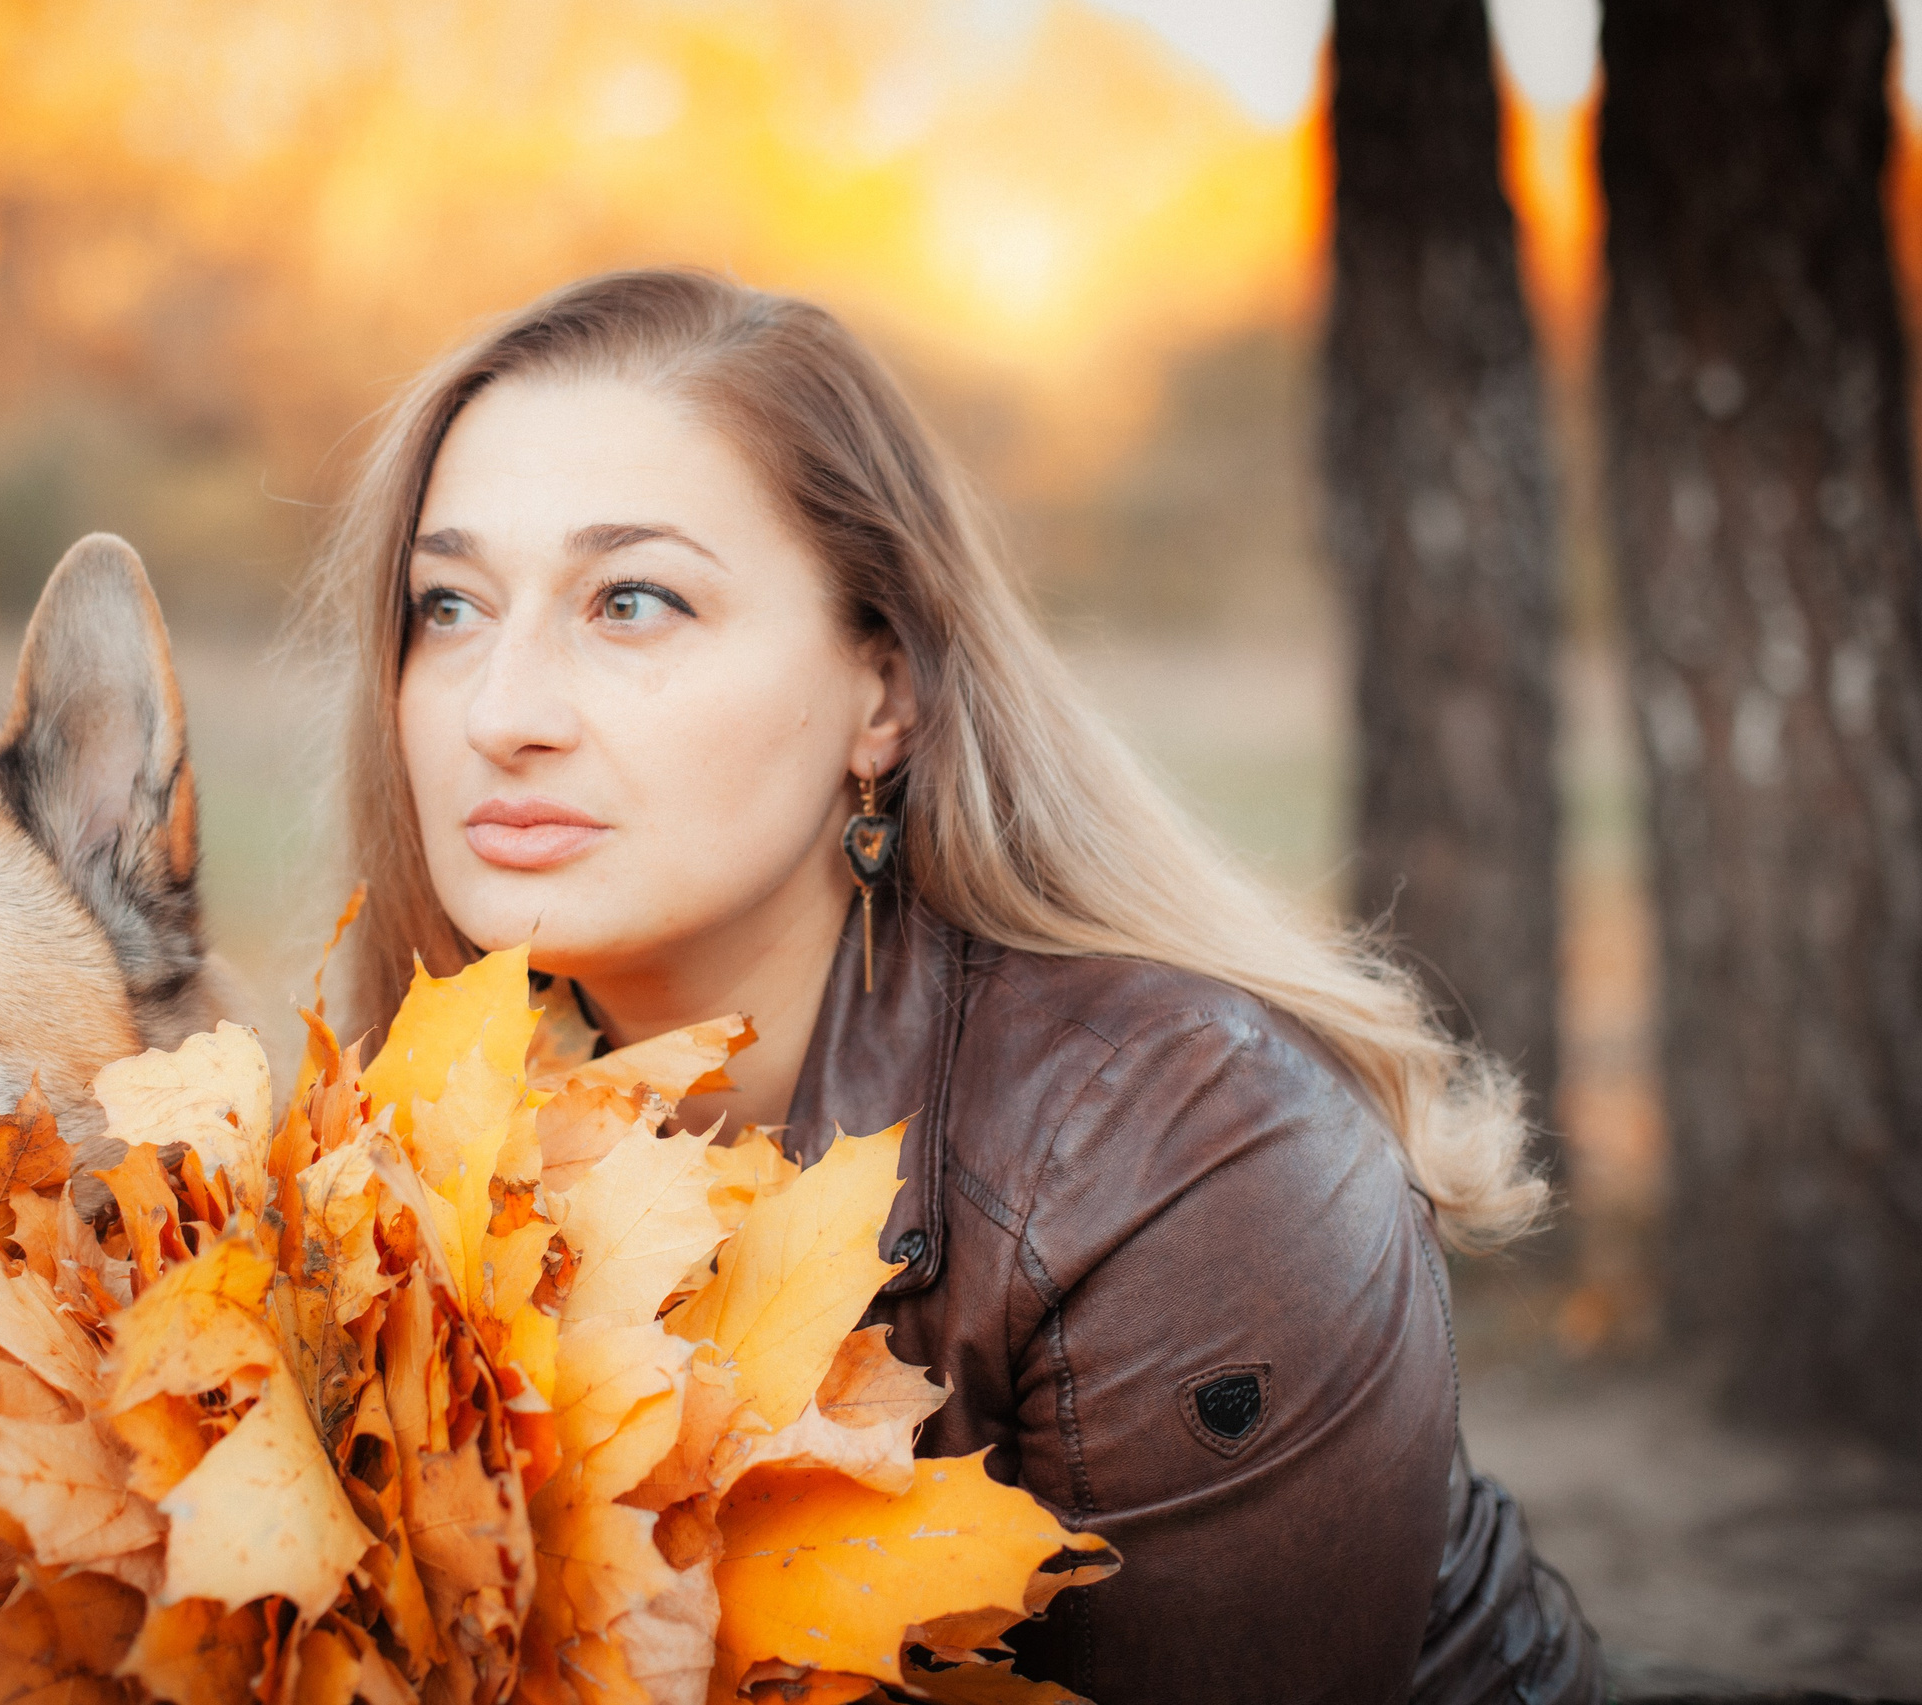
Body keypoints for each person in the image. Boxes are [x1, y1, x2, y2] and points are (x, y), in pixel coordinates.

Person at [302, 268, 1600, 1703]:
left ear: (886, 691)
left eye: (633, 600)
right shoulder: (404, 1155)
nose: (500, 713)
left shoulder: (1175, 1160)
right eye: (449, 605)